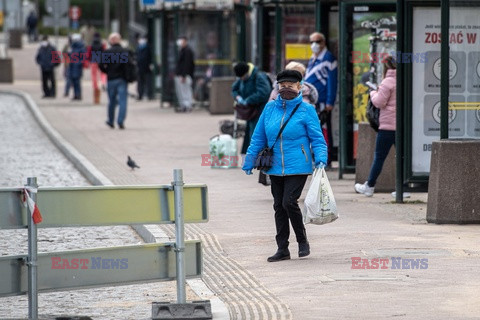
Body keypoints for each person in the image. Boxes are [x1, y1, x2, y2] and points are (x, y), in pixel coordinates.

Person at [242, 70, 328, 262]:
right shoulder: (270, 108)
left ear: (300, 87)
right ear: (277, 87)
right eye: (283, 85)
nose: (286, 88)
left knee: (288, 202)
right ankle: (282, 248)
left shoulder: (307, 110)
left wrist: (321, 158)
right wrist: (249, 160)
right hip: (274, 166)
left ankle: (302, 240)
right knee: (278, 206)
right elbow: (258, 137)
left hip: (298, 164)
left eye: (291, 85)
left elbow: (318, 139)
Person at [355, 56, 397, 197]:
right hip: (401, 127)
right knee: (401, 157)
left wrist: (373, 92)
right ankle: (403, 188)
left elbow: (379, 102)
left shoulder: (387, 82)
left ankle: (370, 186)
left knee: (379, 157)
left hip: (387, 126)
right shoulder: (404, 80)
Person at [305, 32, 338, 168]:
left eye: (317, 41)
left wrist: (330, 102)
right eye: (312, 41)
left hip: (323, 102)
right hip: (312, 101)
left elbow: (332, 82)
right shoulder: (313, 58)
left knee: (323, 130)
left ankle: (326, 159)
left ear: (323, 42)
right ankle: (315, 157)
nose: (314, 44)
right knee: (313, 130)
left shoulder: (329, 59)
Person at [231, 61, 272, 155]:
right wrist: (237, 97)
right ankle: (253, 153)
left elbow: (264, 93)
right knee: (251, 131)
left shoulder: (259, 77)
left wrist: (248, 100)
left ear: (246, 73)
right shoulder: (241, 78)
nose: (241, 79)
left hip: (260, 109)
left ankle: (259, 155)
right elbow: (234, 89)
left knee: (257, 131)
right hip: (250, 110)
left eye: (242, 77)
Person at [99, 33, 129, 129]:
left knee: (111, 101)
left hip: (111, 79)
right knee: (123, 100)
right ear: (119, 40)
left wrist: (107, 71)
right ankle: (120, 121)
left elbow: (101, 65)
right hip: (122, 79)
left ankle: (110, 121)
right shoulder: (124, 52)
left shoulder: (107, 52)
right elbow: (127, 66)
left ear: (111, 41)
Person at [174, 36, 195, 112]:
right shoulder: (182, 50)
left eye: (182, 41)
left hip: (185, 75)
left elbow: (187, 64)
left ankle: (188, 106)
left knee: (186, 91)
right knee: (181, 92)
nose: (180, 42)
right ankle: (183, 106)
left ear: (185, 41)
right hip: (180, 75)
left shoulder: (187, 51)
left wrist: (184, 75)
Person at [87, 32, 107, 101]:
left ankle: (95, 86)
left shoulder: (91, 45)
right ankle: (103, 82)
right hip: (100, 59)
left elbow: (88, 53)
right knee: (103, 73)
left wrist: (88, 60)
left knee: (94, 75)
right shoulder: (102, 44)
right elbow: (105, 52)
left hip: (93, 60)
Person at [68, 33, 86, 100]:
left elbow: (83, 58)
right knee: (73, 82)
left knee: (77, 82)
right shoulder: (72, 47)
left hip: (77, 67)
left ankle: (78, 95)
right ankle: (75, 95)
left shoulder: (81, 48)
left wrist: (78, 63)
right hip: (72, 66)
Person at [136, 36, 153, 100]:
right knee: (141, 82)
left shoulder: (147, 47)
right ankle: (140, 95)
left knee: (148, 81)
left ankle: (149, 94)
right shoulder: (138, 47)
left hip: (146, 67)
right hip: (140, 67)